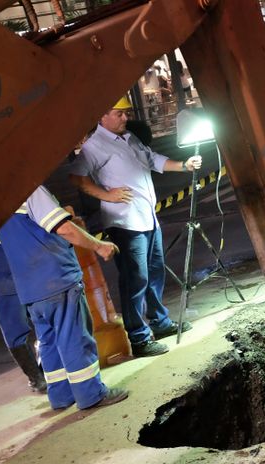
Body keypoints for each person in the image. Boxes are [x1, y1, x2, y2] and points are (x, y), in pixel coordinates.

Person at [69, 96, 201, 358]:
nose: (125, 118)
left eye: (126, 113)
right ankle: (139, 338)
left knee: (154, 272)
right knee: (135, 279)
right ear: (102, 116)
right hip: (124, 223)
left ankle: (160, 322)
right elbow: (77, 178)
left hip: (147, 217)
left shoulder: (130, 138)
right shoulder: (94, 146)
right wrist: (108, 195)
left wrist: (183, 165)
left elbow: (152, 159)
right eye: (119, 114)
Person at [0, 185, 128, 410]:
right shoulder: (29, 190)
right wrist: (99, 246)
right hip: (55, 277)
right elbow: (65, 228)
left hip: (29, 287)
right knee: (74, 337)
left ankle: (60, 396)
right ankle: (91, 394)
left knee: (49, 341)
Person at [0, 238, 47, 393]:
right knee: (44, 318)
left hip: (8, 270)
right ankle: (42, 375)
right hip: (26, 266)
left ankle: (37, 378)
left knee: (15, 328)